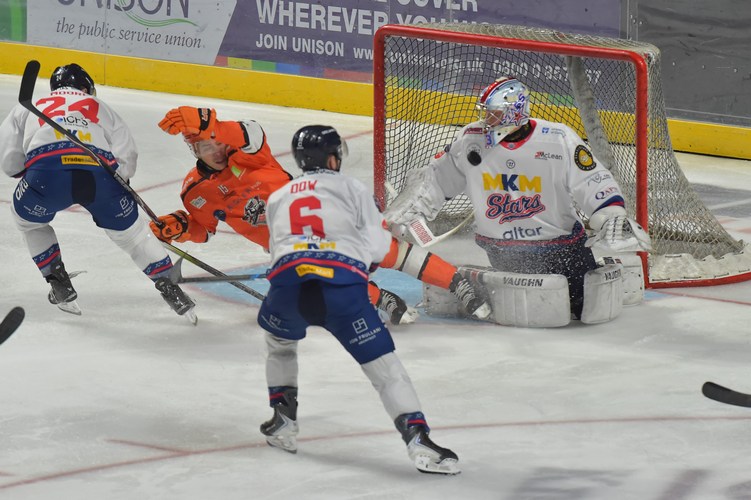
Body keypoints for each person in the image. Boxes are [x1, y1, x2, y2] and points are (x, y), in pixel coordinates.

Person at [152, 108, 490, 324]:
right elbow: (204, 229)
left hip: (318, 215)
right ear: (193, 150)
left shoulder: (249, 155)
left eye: (217, 142)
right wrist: (180, 226)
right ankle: (380, 298)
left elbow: (248, 131)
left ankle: (456, 282)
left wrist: (210, 125)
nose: (216, 151)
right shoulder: (195, 191)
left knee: (386, 250)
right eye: (205, 147)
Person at [256, 124, 460, 474]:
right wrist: (364, 261)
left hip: (288, 288)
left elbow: (276, 250)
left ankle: (283, 420)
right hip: (341, 292)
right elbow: (378, 247)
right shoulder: (352, 187)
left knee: (280, 345)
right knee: (386, 370)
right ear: (333, 158)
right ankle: (418, 441)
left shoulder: (279, 196)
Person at [385, 76, 651, 320]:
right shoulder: (471, 140)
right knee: (534, 311)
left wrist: (610, 213)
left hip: (561, 247)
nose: (486, 119)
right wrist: (411, 211)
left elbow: (592, 179)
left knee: (582, 309)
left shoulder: (558, 139)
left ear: (515, 113)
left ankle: (608, 270)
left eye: (494, 113)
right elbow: (437, 178)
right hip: (502, 250)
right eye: (485, 113)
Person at [0, 63, 195, 322]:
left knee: (29, 223)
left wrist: (31, 173)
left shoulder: (30, 105)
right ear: (85, 88)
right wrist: (119, 183)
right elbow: (127, 157)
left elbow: (10, 162)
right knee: (134, 237)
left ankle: (58, 280)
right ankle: (172, 290)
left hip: (47, 175)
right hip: (100, 177)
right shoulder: (102, 107)